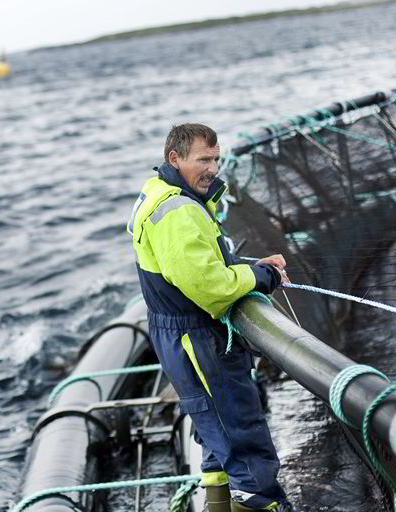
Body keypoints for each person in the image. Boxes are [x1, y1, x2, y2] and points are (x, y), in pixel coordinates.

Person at [127, 123, 292, 512]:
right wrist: (261, 275)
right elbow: (210, 288)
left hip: (175, 334)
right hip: (197, 339)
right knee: (243, 443)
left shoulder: (158, 194)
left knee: (215, 436)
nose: (213, 167)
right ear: (175, 158)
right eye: (203, 159)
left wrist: (245, 264)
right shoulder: (177, 211)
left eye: (216, 158)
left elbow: (193, 264)